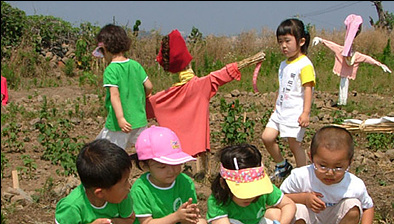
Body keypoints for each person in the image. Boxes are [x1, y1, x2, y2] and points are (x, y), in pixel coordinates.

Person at [146, 29, 265, 178]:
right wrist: (251, 60)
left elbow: (144, 106)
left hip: (173, 153)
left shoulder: (164, 97)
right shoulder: (200, 86)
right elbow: (222, 74)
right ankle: (203, 173)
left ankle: (199, 172)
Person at [129, 126, 210, 224]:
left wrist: (187, 218)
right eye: (162, 167)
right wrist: (177, 217)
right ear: (145, 166)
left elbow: (189, 220)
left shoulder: (184, 182)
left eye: (176, 164)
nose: (172, 171)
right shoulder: (141, 188)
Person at [280, 125, 374, 224]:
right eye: (322, 166)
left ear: (350, 162)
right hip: (308, 222)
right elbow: (279, 198)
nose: (330, 173)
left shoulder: (354, 184)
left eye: (338, 167)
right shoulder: (301, 176)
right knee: (294, 208)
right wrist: (303, 198)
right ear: (311, 157)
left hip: (335, 223)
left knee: (354, 205)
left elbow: (368, 207)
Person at [261, 18, 316, 182]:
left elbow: (308, 89)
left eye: (287, 41)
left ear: (301, 41)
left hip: (295, 112)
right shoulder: (283, 64)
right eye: (280, 42)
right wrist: (275, 106)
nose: (283, 46)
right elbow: (282, 87)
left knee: (294, 145)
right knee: (267, 137)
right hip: (280, 111)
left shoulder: (305, 64)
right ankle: (282, 165)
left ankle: (302, 177)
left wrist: (305, 113)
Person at [93, 24, 153, 150]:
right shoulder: (135, 65)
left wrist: (120, 118)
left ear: (105, 49)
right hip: (139, 121)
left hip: (119, 125)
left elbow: (115, 95)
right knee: (144, 151)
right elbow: (149, 85)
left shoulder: (111, 69)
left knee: (107, 153)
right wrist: (145, 95)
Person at [312, 14, 391, 106]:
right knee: (343, 84)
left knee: (344, 84)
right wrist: (321, 40)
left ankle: (343, 102)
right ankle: (342, 102)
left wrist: (380, 64)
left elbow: (368, 59)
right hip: (343, 70)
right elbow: (332, 45)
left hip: (346, 71)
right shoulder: (342, 50)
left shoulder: (356, 56)